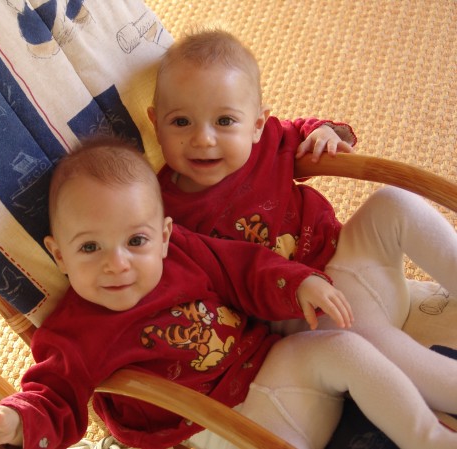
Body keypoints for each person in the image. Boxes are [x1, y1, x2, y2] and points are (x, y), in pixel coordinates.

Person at [0, 138, 457, 449]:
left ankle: (429, 438)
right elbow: (52, 394)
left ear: (164, 235)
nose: (117, 262)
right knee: (343, 347)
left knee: (343, 346)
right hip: (229, 425)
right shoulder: (73, 333)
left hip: (272, 366)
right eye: (89, 247)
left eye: (137, 241)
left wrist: (298, 281)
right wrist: (15, 421)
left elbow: (244, 267)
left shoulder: (183, 251)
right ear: (59, 255)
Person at [148, 28, 457, 415]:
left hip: (346, 252)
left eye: (225, 121)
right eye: (181, 122)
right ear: (155, 123)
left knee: (393, 201)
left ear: (257, 124)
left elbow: (301, 130)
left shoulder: (267, 141)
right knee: (359, 343)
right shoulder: (160, 213)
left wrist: (324, 133)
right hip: (308, 311)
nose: (204, 139)